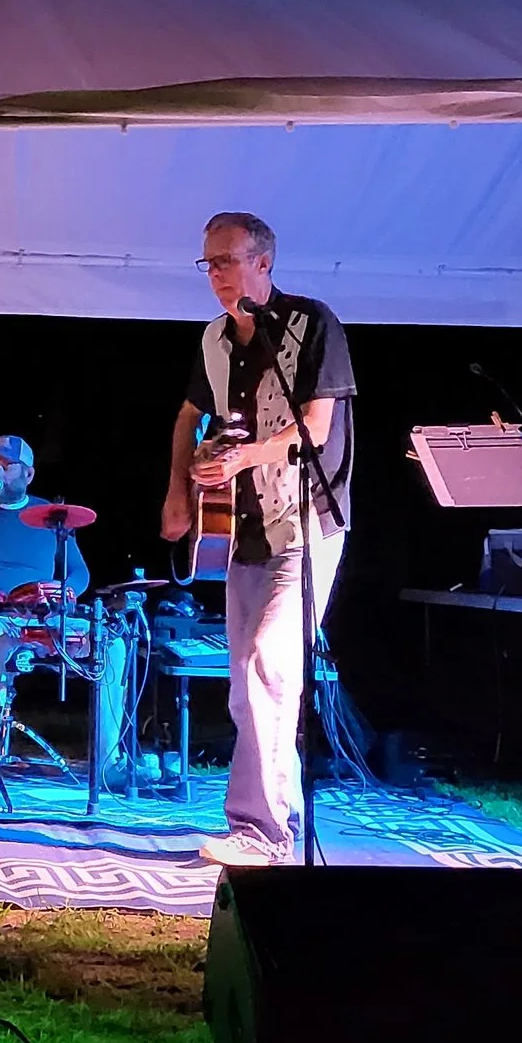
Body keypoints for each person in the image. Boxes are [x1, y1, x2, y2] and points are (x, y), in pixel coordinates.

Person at [161, 211, 355, 866]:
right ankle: (280, 815)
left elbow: (317, 427)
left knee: (270, 664)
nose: (214, 274)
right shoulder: (215, 339)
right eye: (207, 262)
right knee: (246, 688)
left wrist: (243, 459)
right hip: (246, 530)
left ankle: (261, 832)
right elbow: (192, 415)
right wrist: (182, 487)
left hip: (305, 524)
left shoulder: (312, 324)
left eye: (225, 260)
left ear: (263, 263)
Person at [0, 435, 114, 797]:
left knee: (113, 642)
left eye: (5, 465)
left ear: (27, 475)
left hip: (41, 618)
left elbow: (79, 573)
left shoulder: (51, 517)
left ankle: (108, 765)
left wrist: (66, 592)